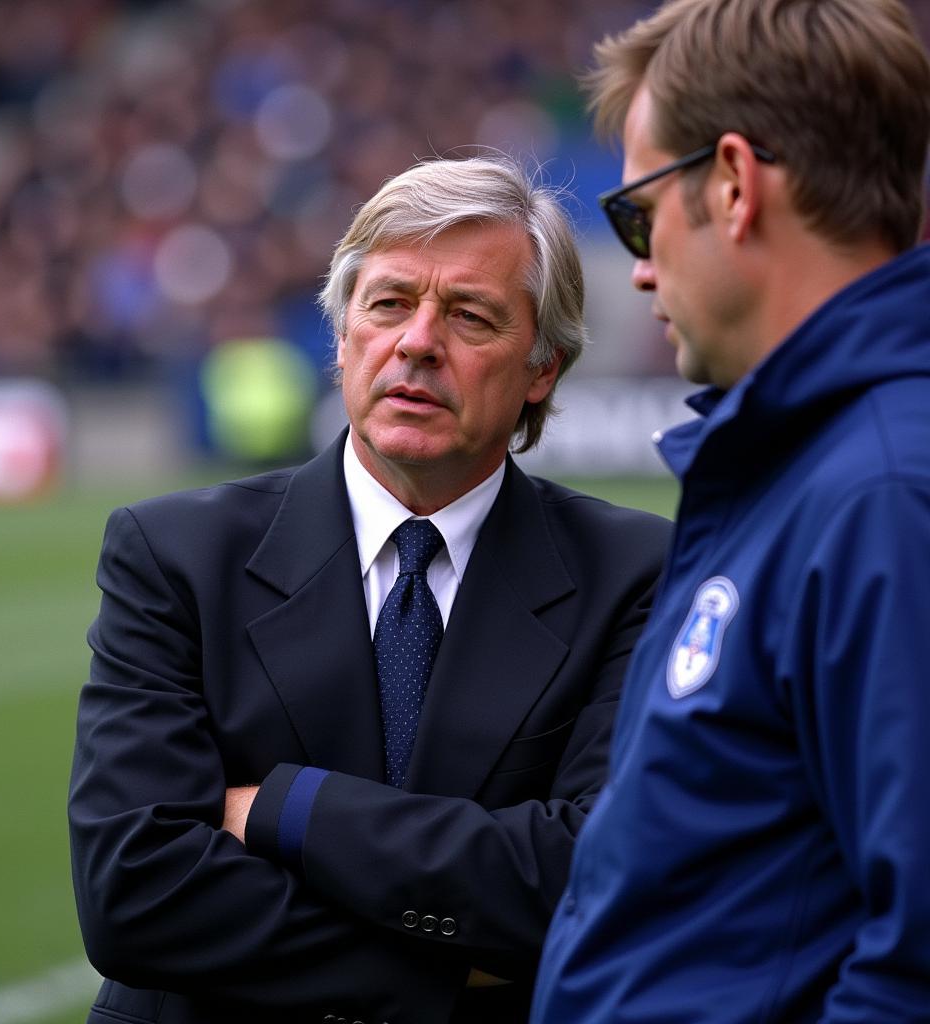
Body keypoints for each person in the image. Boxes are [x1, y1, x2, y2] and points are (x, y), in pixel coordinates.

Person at [68, 155, 671, 1024]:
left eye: (470, 315)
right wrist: (447, 977)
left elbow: (595, 874)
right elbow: (133, 895)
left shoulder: (638, 573)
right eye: (389, 303)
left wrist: (287, 808)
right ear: (343, 333)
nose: (418, 341)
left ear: (543, 368)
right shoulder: (170, 555)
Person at [531, 2, 930, 1022]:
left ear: (735, 184)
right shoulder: (805, 467)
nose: (638, 266)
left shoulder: (881, 493)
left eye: (636, 215)